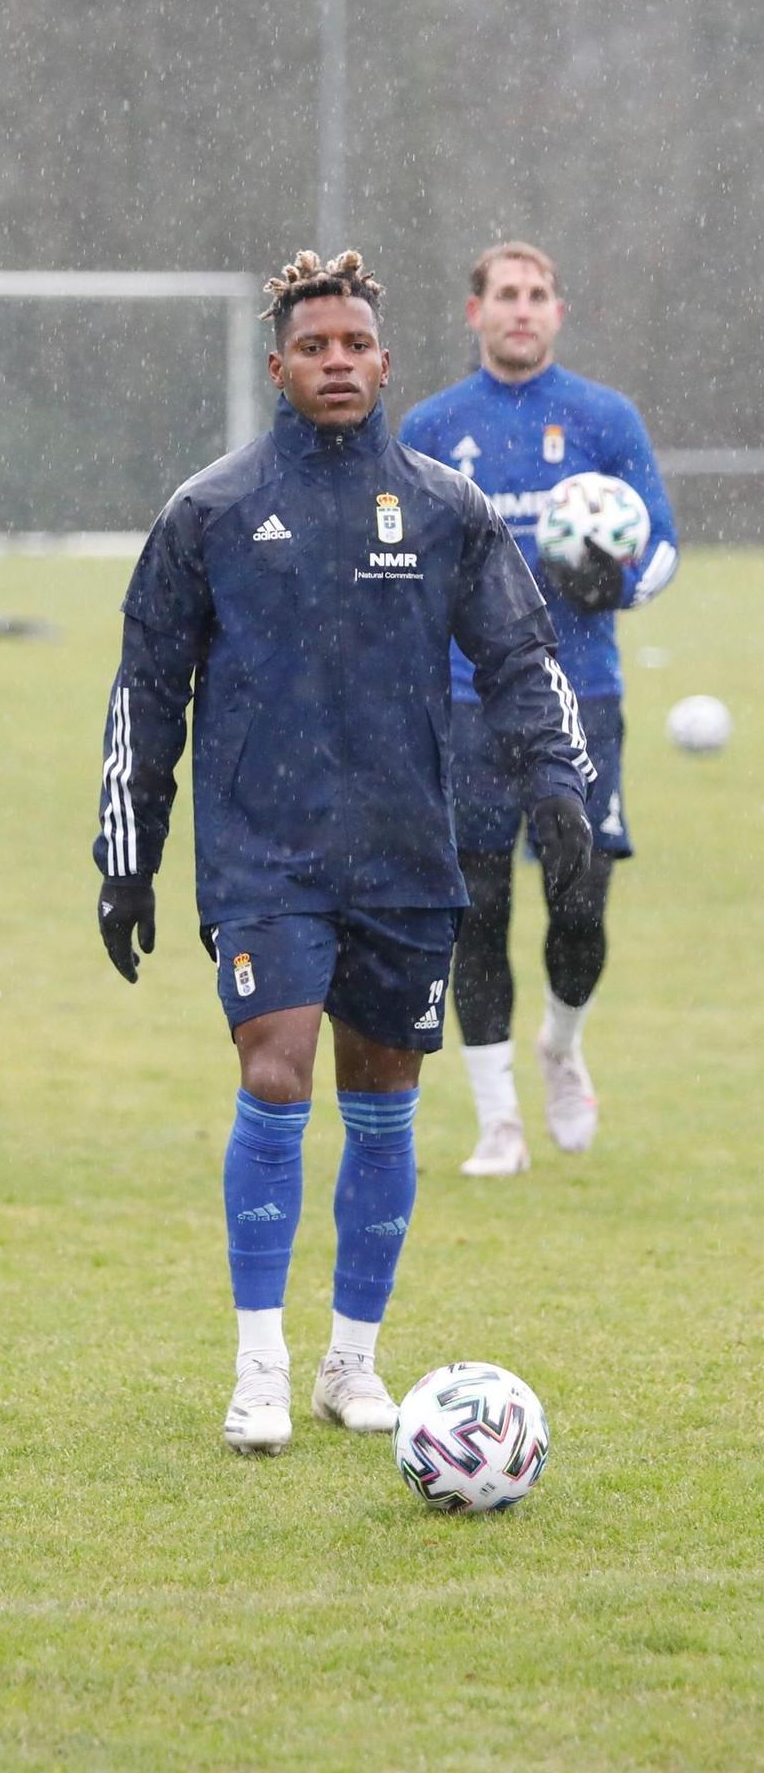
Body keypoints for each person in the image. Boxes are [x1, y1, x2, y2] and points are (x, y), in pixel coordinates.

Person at [93, 249, 594, 1458]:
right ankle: (257, 1365)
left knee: (381, 1102)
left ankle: (348, 1364)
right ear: (275, 366)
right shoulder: (207, 509)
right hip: (262, 852)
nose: (333, 362)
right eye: (311, 347)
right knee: (274, 1072)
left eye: (352, 346)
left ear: (383, 362)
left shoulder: (443, 509)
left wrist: (559, 791)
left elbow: (524, 660)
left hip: (401, 852)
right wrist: (127, 849)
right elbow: (146, 688)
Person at [401, 242, 678, 1175]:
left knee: (579, 904)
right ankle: (497, 1124)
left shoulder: (605, 419)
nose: (521, 310)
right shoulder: (434, 428)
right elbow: (397, 557)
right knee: (474, 910)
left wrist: (621, 583)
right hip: (466, 702)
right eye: (504, 296)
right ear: (472, 312)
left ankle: (560, 1046)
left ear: (558, 312)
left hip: (581, 697)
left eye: (537, 296)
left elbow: (664, 544)